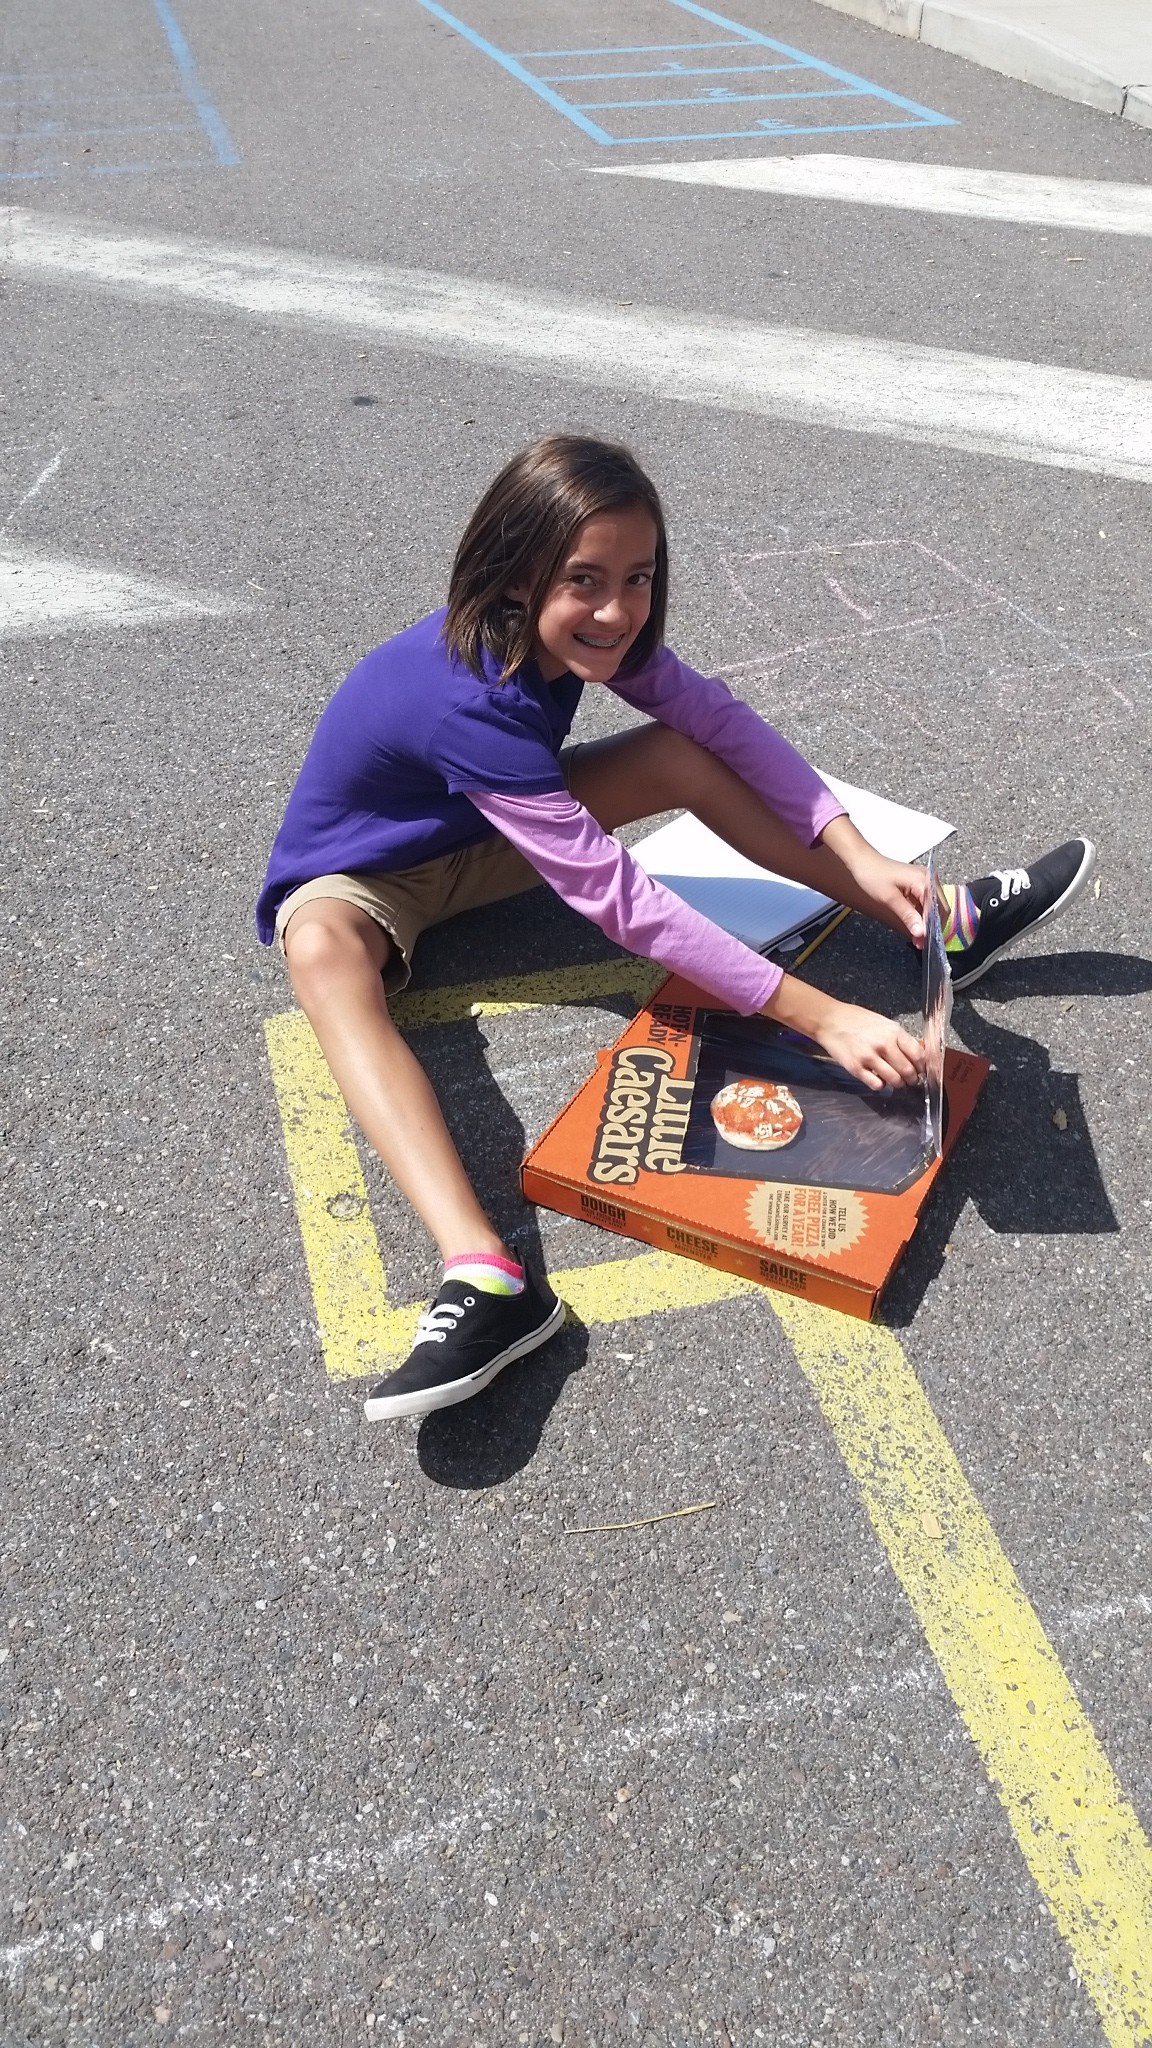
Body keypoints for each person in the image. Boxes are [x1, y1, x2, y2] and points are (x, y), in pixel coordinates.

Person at [257, 436, 1094, 1423]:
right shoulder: (465, 698)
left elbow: (724, 725)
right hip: (367, 877)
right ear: (515, 575)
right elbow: (621, 900)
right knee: (319, 952)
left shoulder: (596, 637)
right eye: (583, 579)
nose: (616, 610)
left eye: (638, 577)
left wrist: (863, 855)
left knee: (679, 751)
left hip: (487, 826)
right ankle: (484, 1274)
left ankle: (939, 923)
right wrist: (820, 1015)